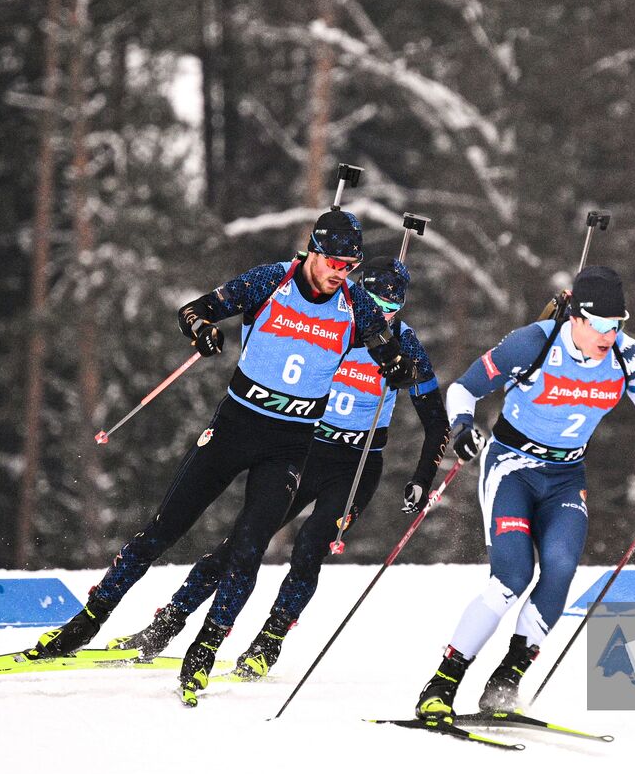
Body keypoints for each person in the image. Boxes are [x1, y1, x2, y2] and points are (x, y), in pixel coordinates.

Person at [27, 209, 419, 701]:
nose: (342, 271)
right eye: (336, 261)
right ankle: (85, 624)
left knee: (249, 549)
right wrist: (203, 330)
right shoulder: (270, 281)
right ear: (314, 252)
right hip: (236, 426)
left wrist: (400, 369)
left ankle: (203, 652)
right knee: (164, 530)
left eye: (351, 263)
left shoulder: (355, 303)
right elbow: (195, 309)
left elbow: (390, 355)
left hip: (292, 443)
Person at [104, 257, 449, 681]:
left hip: (355, 465)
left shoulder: (401, 343)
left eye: (391, 307)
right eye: (374, 302)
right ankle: (166, 625)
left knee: (310, 547)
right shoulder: (341, 317)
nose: (381, 314)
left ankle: (268, 641)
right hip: (304, 449)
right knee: (239, 545)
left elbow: (436, 421)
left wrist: (422, 477)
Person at [413, 266, 635, 721]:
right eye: (602, 325)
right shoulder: (533, 344)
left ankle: (506, 682)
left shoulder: (628, 357)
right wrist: (463, 426)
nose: (611, 334)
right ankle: (442, 683)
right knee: (511, 577)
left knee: (561, 568)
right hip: (512, 466)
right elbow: (465, 388)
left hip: (565, 475)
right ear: (578, 319)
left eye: (618, 324)